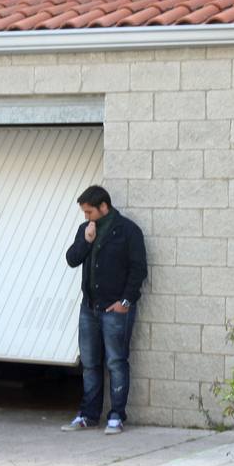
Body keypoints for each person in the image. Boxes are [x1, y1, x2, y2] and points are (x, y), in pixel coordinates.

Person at [61, 185, 147, 435]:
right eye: (84, 213)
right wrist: (86, 242)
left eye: (89, 212)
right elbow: (71, 259)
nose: (86, 217)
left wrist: (126, 302)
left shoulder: (128, 231)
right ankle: (88, 415)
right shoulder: (85, 230)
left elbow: (138, 269)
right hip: (89, 308)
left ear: (103, 207)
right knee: (89, 363)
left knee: (116, 362)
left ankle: (117, 416)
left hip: (115, 309)